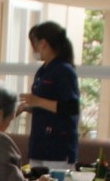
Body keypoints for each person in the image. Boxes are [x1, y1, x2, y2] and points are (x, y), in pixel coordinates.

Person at [17, 21, 80, 169]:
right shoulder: (43, 71)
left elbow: (71, 107)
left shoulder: (64, 71)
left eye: (34, 44)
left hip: (58, 147)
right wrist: (27, 107)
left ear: (43, 43)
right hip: (39, 145)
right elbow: (44, 104)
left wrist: (37, 101)